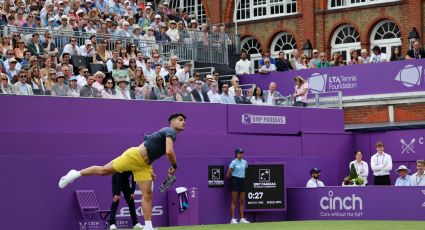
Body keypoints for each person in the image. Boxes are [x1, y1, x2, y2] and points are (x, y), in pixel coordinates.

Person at [58, 113, 186, 230]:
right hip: (133, 156)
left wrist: (150, 169)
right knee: (103, 171)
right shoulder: (170, 131)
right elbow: (169, 151)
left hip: (144, 166)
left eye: (184, 120)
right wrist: (174, 165)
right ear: (172, 123)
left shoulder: (168, 135)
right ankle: (74, 174)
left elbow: (151, 151)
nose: (184, 122)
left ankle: (148, 227)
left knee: (147, 195)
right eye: (180, 120)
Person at [226, 148, 250, 224]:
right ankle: (232, 219)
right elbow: (228, 174)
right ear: (236, 154)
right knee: (234, 201)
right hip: (235, 181)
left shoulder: (245, 162)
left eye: (242, 153)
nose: (241, 154)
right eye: (240, 153)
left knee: (242, 201)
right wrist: (233, 179)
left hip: (242, 181)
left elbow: (245, 171)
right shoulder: (233, 162)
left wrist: (241, 177)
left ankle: (242, 219)